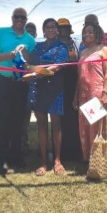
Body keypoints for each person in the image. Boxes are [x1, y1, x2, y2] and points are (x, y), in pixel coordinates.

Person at [0, 8, 36, 175]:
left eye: (23, 17)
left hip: (20, 83)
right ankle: (3, 158)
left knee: (18, 120)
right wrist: (9, 55)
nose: (20, 19)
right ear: (12, 18)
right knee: (2, 120)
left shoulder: (29, 39)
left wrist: (24, 54)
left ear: (26, 19)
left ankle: (16, 156)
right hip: (1, 81)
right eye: (17, 16)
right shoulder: (1, 33)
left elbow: (30, 63)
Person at [24, 18, 69, 176]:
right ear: (43, 30)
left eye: (53, 27)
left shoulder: (62, 46)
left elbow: (56, 67)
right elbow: (29, 61)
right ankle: (43, 161)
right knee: (41, 125)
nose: (50, 29)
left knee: (56, 126)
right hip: (39, 89)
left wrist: (36, 72)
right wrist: (22, 52)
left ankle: (57, 161)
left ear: (57, 30)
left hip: (55, 90)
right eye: (47, 27)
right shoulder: (38, 47)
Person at [74, 23, 107, 162]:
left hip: (96, 94)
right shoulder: (83, 52)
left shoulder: (103, 50)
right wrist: (75, 95)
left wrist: (105, 93)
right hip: (83, 95)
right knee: (85, 127)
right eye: (85, 32)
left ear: (97, 33)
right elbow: (80, 76)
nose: (87, 34)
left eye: (90, 31)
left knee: (96, 127)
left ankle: (100, 161)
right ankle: (89, 159)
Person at [57, 17, 81, 161]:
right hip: (59, 83)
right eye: (61, 27)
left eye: (66, 27)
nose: (63, 30)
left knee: (74, 118)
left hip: (73, 83)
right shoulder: (55, 44)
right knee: (60, 119)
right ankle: (62, 152)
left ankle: (75, 151)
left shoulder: (76, 44)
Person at [21, 21, 37, 154]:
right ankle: (23, 145)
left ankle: (41, 146)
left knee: (41, 120)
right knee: (23, 120)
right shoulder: (19, 49)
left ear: (36, 34)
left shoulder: (39, 48)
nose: (30, 33)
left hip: (37, 88)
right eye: (28, 31)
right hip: (24, 88)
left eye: (32, 31)